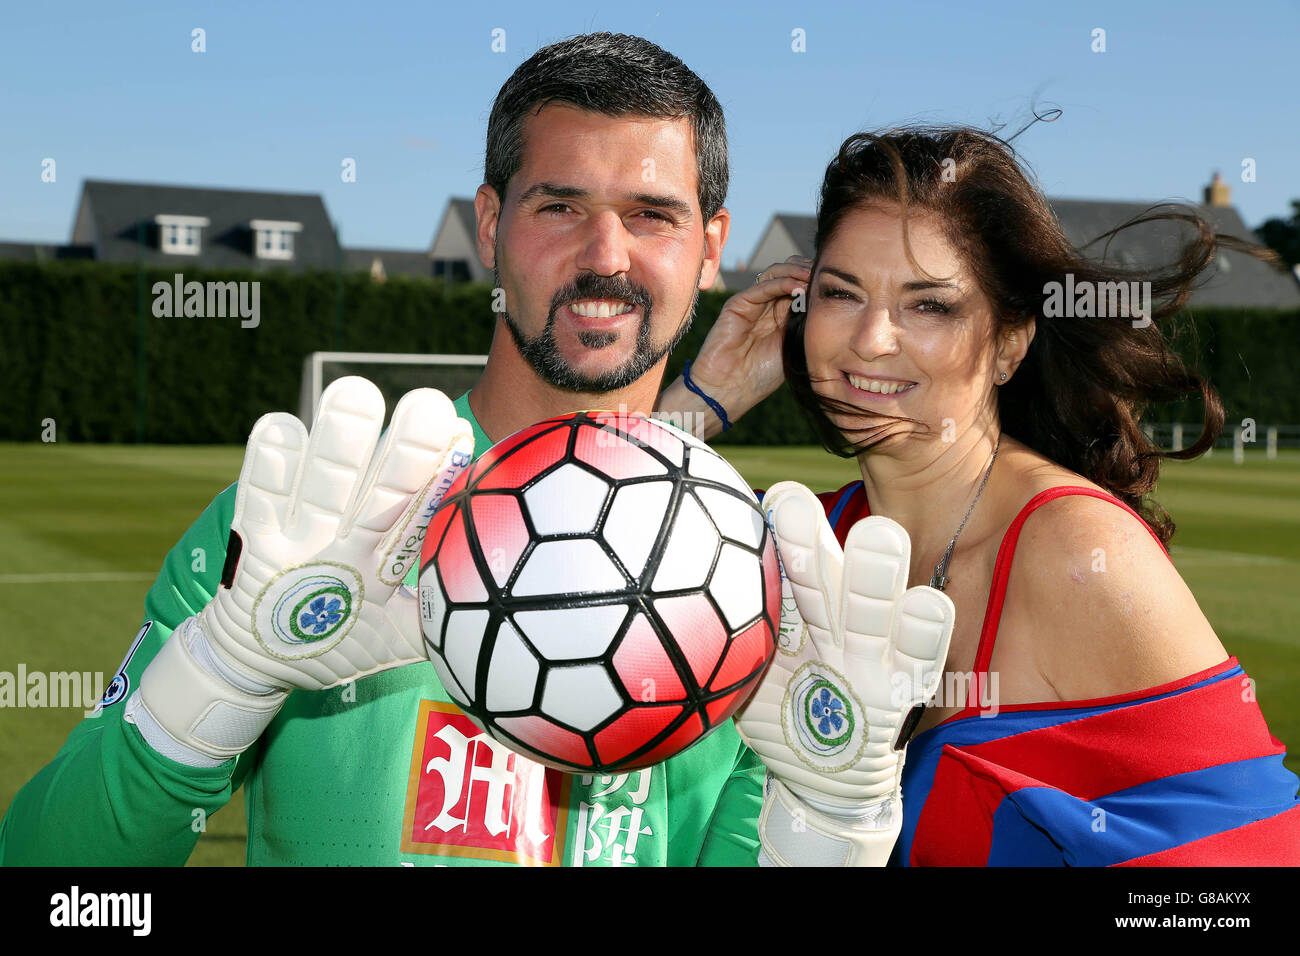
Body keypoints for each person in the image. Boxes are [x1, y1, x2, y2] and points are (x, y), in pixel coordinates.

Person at [0, 32, 838, 868]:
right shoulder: (300, 531)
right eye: (559, 207)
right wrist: (217, 681)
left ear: (711, 247)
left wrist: (833, 819)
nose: (605, 257)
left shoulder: (756, 583)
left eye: (652, 215)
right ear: (490, 225)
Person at [768, 125, 1300, 865]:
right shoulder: (796, 537)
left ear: (1011, 344)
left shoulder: (1078, 552)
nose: (871, 338)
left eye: (929, 305)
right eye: (840, 293)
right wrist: (707, 396)